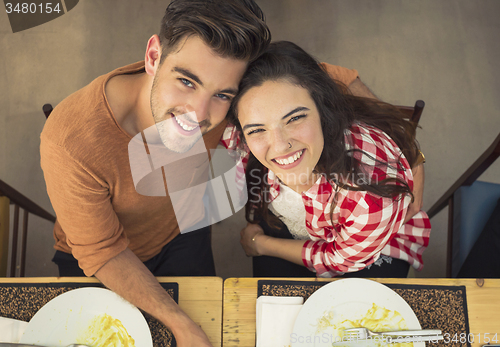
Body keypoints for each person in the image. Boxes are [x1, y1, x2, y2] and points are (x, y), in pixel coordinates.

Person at [40, 0, 421, 345]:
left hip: (183, 234)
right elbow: (102, 250)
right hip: (97, 256)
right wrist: (180, 323)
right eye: (186, 81)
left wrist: (408, 152)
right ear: (154, 56)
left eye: (223, 94)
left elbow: (319, 76)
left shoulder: (239, 99)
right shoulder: (69, 140)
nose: (200, 114)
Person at [227, 41, 431, 278]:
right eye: (256, 130)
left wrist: (260, 244)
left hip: (369, 245)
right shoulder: (237, 130)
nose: (280, 146)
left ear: (323, 108)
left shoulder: (372, 194)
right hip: (283, 222)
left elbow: (339, 259)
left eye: (294, 118)